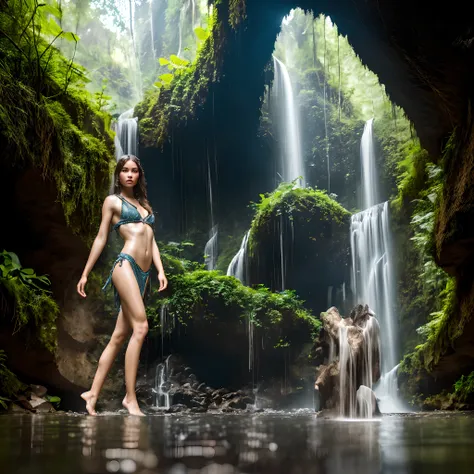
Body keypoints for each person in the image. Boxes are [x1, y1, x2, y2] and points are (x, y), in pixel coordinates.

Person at [77, 155, 168, 416]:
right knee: (141, 327)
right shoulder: (112, 202)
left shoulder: (144, 206)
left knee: (118, 337)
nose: (129, 174)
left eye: (134, 171)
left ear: (139, 175)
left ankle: (92, 393)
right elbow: (101, 237)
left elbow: (152, 242)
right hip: (125, 265)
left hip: (144, 273)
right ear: (118, 175)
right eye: (125, 170)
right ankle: (130, 398)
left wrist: (160, 270)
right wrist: (85, 273)